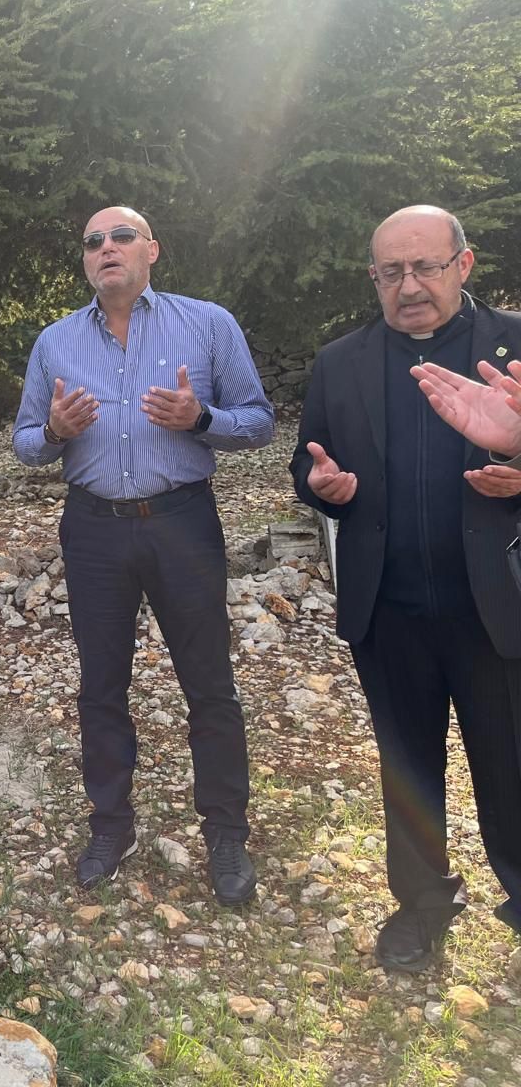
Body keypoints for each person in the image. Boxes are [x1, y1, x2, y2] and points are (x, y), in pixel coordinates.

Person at [12, 206, 274, 905]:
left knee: (209, 684)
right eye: (92, 241)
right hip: (94, 529)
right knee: (101, 686)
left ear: (151, 250)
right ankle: (111, 825)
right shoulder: (55, 342)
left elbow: (258, 422)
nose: (107, 248)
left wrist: (201, 419)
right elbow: (26, 443)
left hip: (182, 522)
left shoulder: (207, 324)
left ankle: (226, 833)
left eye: (121, 237)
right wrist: (54, 432)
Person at [291, 205, 521, 971]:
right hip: (388, 610)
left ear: (464, 264)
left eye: (425, 267)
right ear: (374, 278)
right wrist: (323, 487)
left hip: (498, 609)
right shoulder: (342, 362)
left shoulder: (516, 346)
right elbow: (308, 464)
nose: (409, 286)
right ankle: (423, 904)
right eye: (391, 272)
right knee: (409, 770)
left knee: (512, 766)